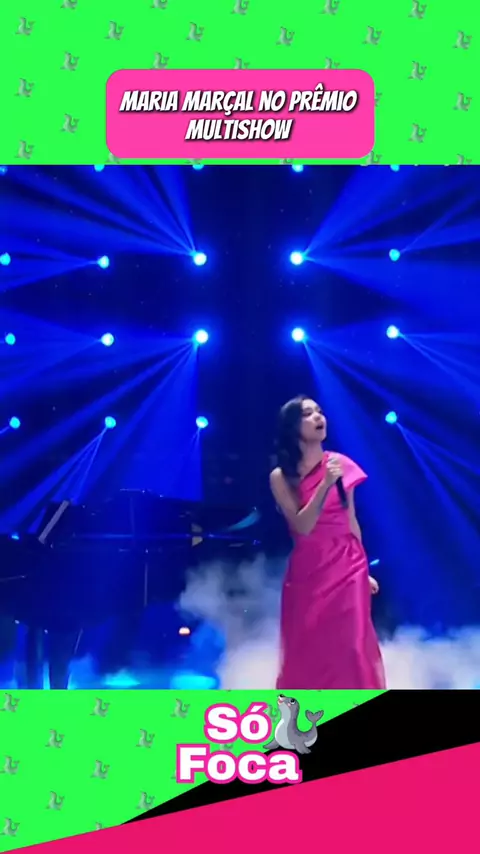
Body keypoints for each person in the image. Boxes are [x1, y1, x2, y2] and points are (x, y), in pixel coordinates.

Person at [269, 395, 386, 690]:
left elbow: (351, 519)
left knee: (354, 642)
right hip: (309, 568)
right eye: (308, 414)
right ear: (293, 427)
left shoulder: (340, 464)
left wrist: (365, 571)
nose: (318, 417)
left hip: (348, 563)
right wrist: (324, 485)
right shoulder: (281, 477)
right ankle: (311, 711)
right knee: (309, 645)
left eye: (319, 411)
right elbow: (303, 526)